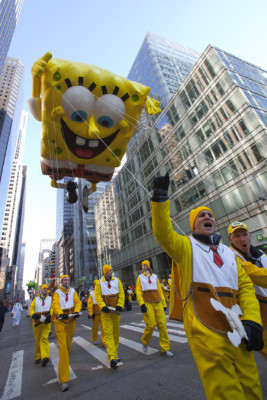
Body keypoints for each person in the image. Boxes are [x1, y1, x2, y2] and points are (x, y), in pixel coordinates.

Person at [151, 173, 263, 400]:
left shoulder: (230, 254)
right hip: (204, 325)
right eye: (201, 216)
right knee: (225, 389)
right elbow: (163, 233)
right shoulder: (184, 246)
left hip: (238, 325)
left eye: (210, 214)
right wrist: (160, 199)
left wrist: (253, 321)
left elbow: (246, 290)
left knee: (252, 384)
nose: (207, 217)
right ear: (193, 224)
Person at [228, 221, 267, 360]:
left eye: (244, 235)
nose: (242, 239)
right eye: (237, 236)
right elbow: (254, 275)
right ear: (230, 240)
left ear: (250, 236)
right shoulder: (232, 258)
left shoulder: (261, 254)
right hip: (260, 319)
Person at [136, 260, 173, 357]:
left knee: (162, 325)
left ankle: (165, 348)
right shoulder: (140, 278)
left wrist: (164, 303)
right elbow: (138, 291)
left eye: (145, 265)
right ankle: (144, 341)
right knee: (151, 325)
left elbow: (160, 291)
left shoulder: (155, 277)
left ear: (148, 266)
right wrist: (141, 304)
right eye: (142, 265)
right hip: (148, 303)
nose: (143, 267)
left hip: (158, 303)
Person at [52, 275, 82, 392]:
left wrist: (77, 311)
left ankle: (62, 367)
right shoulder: (57, 293)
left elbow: (78, 302)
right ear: (61, 282)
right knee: (63, 348)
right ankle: (63, 380)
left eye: (68, 280)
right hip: (60, 322)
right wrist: (60, 313)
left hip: (71, 321)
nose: (67, 281)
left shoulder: (73, 291)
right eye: (65, 280)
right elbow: (55, 305)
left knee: (68, 347)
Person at [95, 265, 125, 369]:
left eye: (112, 270)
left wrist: (120, 305)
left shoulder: (117, 280)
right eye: (110, 270)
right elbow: (97, 296)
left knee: (116, 333)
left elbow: (121, 293)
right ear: (105, 272)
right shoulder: (99, 283)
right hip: (106, 312)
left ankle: (115, 353)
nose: (112, 272)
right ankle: (112, 357)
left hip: (116, 311)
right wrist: (103, 306)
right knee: (108, 333)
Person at [29, 284, 53, 366]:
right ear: (41, 290)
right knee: (37, 340)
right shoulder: (36, 300)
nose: (45, 290)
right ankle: (37, 357)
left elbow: (52, 308)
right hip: (37, 322)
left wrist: (50, 316)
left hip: (46, 322)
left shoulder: (50, 299)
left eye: (47, 289)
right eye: (44, 289)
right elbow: (31, 308)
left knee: (44, 338)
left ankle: (45, 357)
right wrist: (33, 314)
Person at [87, 281, 105, 346]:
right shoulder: (91, 293)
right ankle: (94, 339)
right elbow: (89, 304)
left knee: (104, 328)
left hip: (102, 313)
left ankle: (104, 341)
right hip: (95, 314)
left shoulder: (102, 292)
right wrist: (91, 314)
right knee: (95, 328)